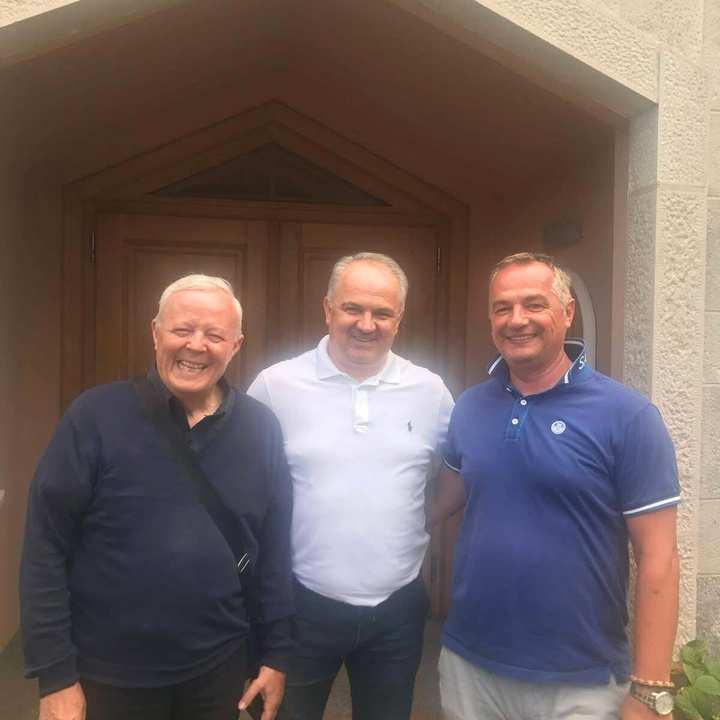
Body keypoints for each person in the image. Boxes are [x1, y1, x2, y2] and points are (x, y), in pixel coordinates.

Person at [20, 274, 294, 720]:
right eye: (182, 329)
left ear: (236, 345)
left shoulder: (261, 428)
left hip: (218, 668)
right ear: (155, 332)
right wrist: (55, 676)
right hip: (107, 674)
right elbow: (44, 549)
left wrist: (275, 653)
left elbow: (274, 550)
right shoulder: (95, 417)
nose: (196, 345)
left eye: (214, 335)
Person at [432, 252, 680, 720]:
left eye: (533, 304)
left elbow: (659, 558)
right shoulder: (470, 407)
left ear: (567, 313)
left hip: (580, 681)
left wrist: (649, 690)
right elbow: (440, 501)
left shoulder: (628, 416)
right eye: (502, 307)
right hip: (471, 667)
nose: (516, 319)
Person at [247, 252, 454, 720]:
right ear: (328, 309)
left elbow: (459, 465)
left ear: (399, 317)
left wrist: (426, 516)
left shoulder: (430, 391)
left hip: (397, 607)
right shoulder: (276, 385)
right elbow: (247, 484)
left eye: (382, 313)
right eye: (352, 309)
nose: (366, 324)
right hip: (300, 603)